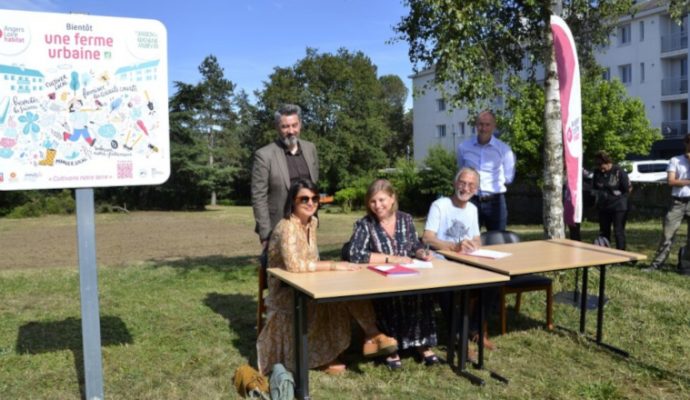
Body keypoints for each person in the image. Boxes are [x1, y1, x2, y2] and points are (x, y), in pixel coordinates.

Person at [257, 179, 398, 375]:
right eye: (304, 199)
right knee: (333, 297)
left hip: (307, 280)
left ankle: (371, 336)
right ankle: (327, 355)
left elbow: (311, 259)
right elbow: (295, 265)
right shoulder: (286, 226)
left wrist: (333, 270)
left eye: (315, 198)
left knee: (350, 285)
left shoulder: (311, 222)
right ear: (293, 201)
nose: (310, 203)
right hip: (286, 290)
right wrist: (333, 266)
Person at [347, 179, 436, 369]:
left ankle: (421, 343)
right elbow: (355, 254)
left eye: (381, 200)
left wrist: (421, 252)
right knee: (388, 299)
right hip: (380, 277)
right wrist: (390, 259)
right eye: (373, 201)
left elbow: (414, 245)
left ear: (392, 198)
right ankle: (390, 347)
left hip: (408, 274)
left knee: (421, 295)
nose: (377, 206)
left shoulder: (406, 219)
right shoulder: (365, 224)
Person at [422, 167, 495, 351]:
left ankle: (474, 329)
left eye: (471, 185)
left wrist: (474, 244)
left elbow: (476, 237)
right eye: (462, 183)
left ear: (476, 189)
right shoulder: (440, 205)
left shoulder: (472, 209)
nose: (465, 188)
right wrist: (453, 247)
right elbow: (427, 238)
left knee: (493, 282)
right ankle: (457, 336)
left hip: (466, 261)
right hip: (441, 261)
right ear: (455, 184)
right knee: (448, 287)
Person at [251, 104, 319, 253]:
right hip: (278, 228)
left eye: (294, 125)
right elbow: (258, 197)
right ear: (277, 127)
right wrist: (265, 235)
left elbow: (314, 186)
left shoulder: (310, 149)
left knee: (310, 271)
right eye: (285, 126)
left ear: (300, 124)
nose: (291, 131)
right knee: (281, 274)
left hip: (307, 226)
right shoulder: (264, 155)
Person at [456, 110, 516, 231]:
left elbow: (508, 177)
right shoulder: (463, 147)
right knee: (467, 239)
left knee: (497, 242)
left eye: (487, 124)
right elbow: (461, 173)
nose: (484, 128)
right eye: (481, 124)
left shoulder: (504, 149)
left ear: (494, 126)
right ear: (476, 125)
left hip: (496, 203)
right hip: (470, 199)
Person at [647, 134, 690, 274]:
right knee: (668, 235)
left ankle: (685, 265)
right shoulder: (676, 160)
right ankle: (656, 265)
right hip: (677, 202)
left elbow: (677, 181)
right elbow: (671, 181)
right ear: (686, 143)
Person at [591, 151, 632, 250]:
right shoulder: (597, 173)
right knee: (604, 231)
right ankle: (605, 253)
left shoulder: (619, 171)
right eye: (597, 164)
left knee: (618, 231)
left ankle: (621, 254)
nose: (600, 167)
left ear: (608, 162)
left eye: (601, 164)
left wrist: (622, 199)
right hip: (604, 206)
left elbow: (629, 188)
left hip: (619, 206)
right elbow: (595, 188)